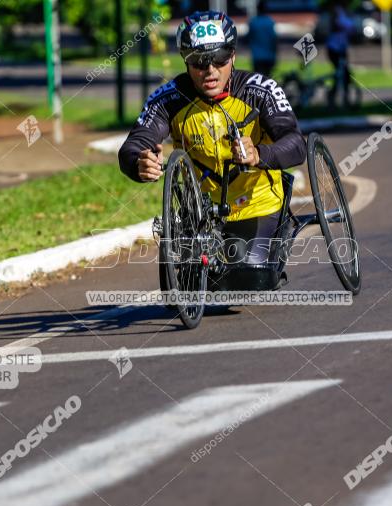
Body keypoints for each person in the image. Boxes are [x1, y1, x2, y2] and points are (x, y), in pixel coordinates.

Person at [118, 11, 306, 289]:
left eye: (219, 59)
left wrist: (259, 155)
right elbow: (135, 144)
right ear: (186, 61)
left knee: (249, 277)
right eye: (199, 62)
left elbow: (296, 144)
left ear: (232, 56)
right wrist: (139, 162)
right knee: (194, 287)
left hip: (256, 203)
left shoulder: (261, 90)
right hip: (203, 215)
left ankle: (277, 233)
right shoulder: (167, 100)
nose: (210, 71)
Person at [326, 0, 355, 107]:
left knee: (344, 74)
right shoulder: (337, 11)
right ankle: (334, 97)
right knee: (341, 73)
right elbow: (347, 25)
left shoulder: (344, 11)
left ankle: (342, 98)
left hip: (342, 49)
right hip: (334, 48)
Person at [248, 1, 278, 77]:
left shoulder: (253, 22)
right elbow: (274, 40)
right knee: (268, 79)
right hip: (269, 56)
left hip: (257, 56)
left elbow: (248, 38)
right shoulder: (270, 22)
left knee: (258, 80)